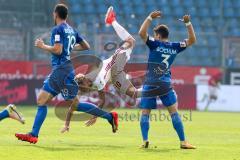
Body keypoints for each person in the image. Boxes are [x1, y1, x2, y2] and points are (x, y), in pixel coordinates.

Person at [15, 3, 91, 144]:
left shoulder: (57, 29)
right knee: (75, 104)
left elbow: (58, 50)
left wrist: (43, 46)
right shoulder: (72, 30)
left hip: (60, 70)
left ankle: (34, 134)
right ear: (66, 16)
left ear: (55, 14)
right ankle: (108, 116)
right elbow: (87, 46)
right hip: (68, 69)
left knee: (41, 101)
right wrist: (69, 47)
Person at [71, 6, 141, 127]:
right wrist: (95, 117)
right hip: (115, 68)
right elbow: (102, 100)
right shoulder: (94, 84)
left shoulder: (93, 78)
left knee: (131, 41)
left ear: (86, 83)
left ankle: (112, 20)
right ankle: (156, 90)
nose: (86, 91)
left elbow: (92, 77)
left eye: (84, 88)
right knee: (133, 93)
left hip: (116, 62)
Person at [138, 10, 197, 149]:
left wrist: (149, 17)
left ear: (158, 35)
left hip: (150, 83)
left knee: (145, 113)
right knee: (173, 112)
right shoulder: (175, 47)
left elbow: (141, 33)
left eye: (154, 35)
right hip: (164, 83)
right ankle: (183, 142)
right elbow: (193, 40)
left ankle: (145, 140)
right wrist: (188, 23)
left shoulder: (154, 44)